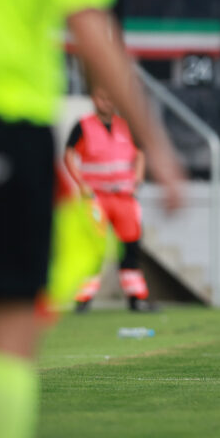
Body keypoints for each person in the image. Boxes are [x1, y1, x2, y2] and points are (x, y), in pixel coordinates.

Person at [0, 0, 183, 435]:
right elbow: (93, 34)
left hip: (97, 187)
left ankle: (126, 293)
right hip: (12, 122)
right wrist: (158, 144)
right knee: (11, 320)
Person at [64, 87, 153, 312]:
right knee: (94, 248)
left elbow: (140, 153)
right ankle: (83, 300)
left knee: (130, 247)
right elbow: (69, 154)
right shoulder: (83, 125)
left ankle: (136, 298)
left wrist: (138, 179)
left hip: (124, 197)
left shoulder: (126, 126)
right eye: (103, 98)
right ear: (94, 99)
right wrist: (81, 184)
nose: (107, 102)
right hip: (96, 198)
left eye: (110, 97)